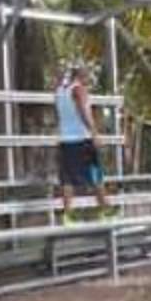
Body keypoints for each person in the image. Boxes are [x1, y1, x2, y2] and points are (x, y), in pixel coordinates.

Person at [54, 62, 116, 225]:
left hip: (66, 140)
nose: (89, 79)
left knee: (67, 178)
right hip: (82, 138)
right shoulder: (79, 89)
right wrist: (94, 133)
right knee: (96, 174)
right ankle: (105, 209)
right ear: (81, 75)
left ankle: (68, 215)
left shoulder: (60, 91)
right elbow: (84, 112)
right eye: (87, 75)